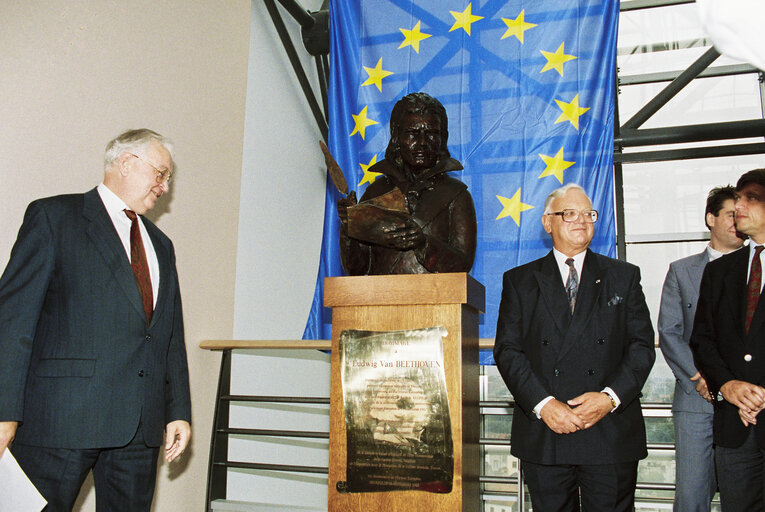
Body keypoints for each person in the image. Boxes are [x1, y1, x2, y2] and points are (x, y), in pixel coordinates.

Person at [0, 129, 191, 511]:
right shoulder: (54, 217)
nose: (164, 187)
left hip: (139, 429)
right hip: (60, 420)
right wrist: (4, 411)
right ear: (126, 162)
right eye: (160, 173)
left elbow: (168, 335)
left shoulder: (161, 245)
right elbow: (12, 321)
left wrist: (178, 411)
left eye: (167, 178)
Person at [494, 183, 655, 511]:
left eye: (588, 214)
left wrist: (609, 398)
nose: (581, 220)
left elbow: (641, 347)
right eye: (569, 213)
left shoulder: (623, 276)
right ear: (547, 222)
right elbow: (508, 350)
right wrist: (545, 405)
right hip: (546, 433)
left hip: (609, 432)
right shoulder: (520, 280)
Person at [658, 185, 744, 512]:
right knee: (693, 496)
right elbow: (669, 331)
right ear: (711, 218)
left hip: (747, 401)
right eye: (730, 215)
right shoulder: (682, 271)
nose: (739, 222)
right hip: (696, 399)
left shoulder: (758, 271)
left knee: (746, 492)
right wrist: (698, 377)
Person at [337, 92, 477, 275]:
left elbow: (462, 265)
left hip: (437, 299)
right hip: (379, 299)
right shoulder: (376, 192)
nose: (421, 143)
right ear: (396, 136)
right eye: (412, 133)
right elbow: (356, 268)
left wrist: (423, 244)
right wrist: (350, 228)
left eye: (431, 134)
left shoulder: (456, 195)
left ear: (443, 137)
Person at [691, 168, 765, 512]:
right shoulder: (719, 271)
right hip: (733, 429)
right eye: (738, 198)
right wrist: (729, 385)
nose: (739, 205)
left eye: (751, 197)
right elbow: (702, 339)